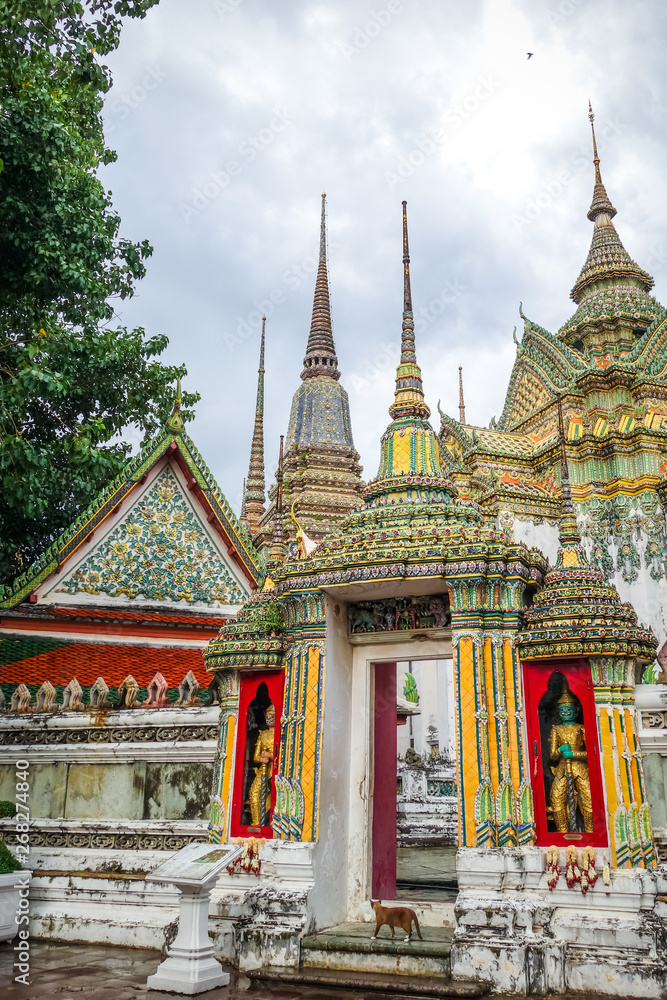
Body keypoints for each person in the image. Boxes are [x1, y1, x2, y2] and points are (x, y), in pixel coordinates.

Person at [548, 688, 593, 833]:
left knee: (588, 800)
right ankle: (563, 833)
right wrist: (560, 750)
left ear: (576, 711)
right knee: (556, 799)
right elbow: (553, 755)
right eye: (562, 710)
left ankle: (590, 831)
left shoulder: (581, 728)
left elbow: (590, 753)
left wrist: (573, 754)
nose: (565, 713)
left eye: (569, 709)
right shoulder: (557, 729)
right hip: (562, 768)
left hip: (579, 768)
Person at [248, 702, 276, 827]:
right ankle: (256, 823)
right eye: (268, 716)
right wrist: (261, 759)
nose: (270, 719)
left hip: (276, 769)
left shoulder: (281, 734)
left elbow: (284, 755)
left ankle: (273, 824)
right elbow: (255, 757)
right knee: (254, 793)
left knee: (277, 797)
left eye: (273, 716)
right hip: (263, 769)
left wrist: (270, 756)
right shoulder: (262, 734)